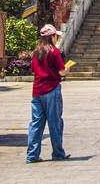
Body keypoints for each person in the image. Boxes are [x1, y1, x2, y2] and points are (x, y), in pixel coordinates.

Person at [26, 24, 70, 163]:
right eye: (55, 36)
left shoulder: (36, 52)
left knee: (36, 123)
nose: (56, 38)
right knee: (55, 122)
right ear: (51, 37)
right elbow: (61, 71)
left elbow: (33, 70)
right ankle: (58, 152)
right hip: (51, 89)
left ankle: (32, 155)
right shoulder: (54, 52)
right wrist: (67, 68)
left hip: (37, 90)